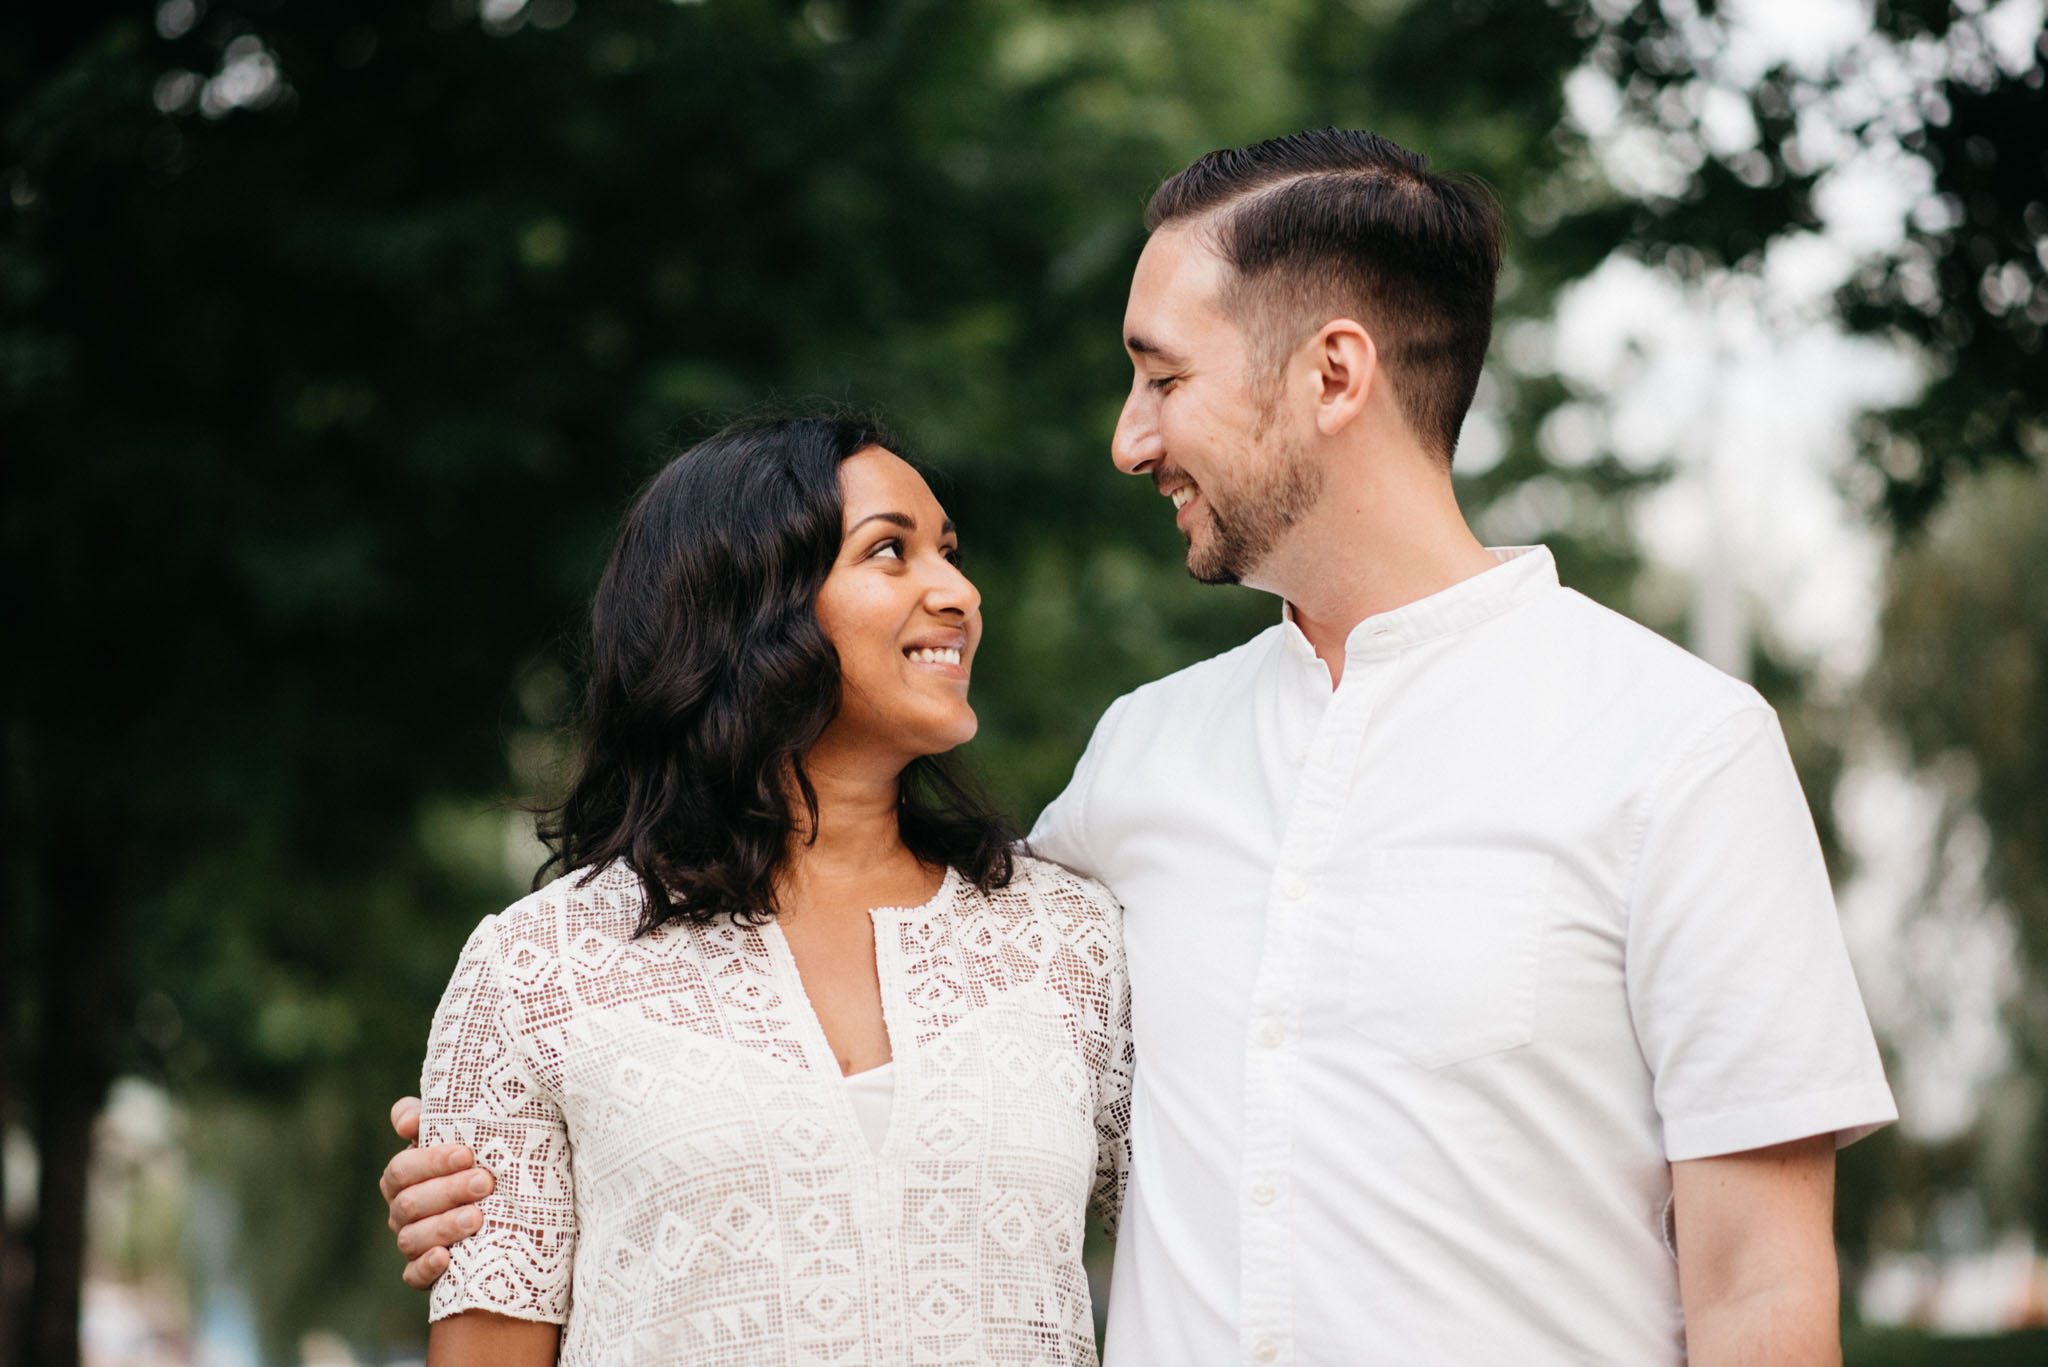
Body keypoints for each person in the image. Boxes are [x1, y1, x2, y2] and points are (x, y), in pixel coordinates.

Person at [385, 132, 1896, 1366]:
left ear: (1334, 372)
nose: (1129, 437)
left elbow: (1765, 1290)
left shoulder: (1679, 749)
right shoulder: (1144, 762)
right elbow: (892, 1025)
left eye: (1162, 375)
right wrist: (511, 1161)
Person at [399, 415, 1132, 1366]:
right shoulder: (540, 969)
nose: (958, 592)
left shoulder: (1066, 938)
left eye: (948, 553)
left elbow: (1230, 1231)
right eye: (890, 552)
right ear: (750, 607)